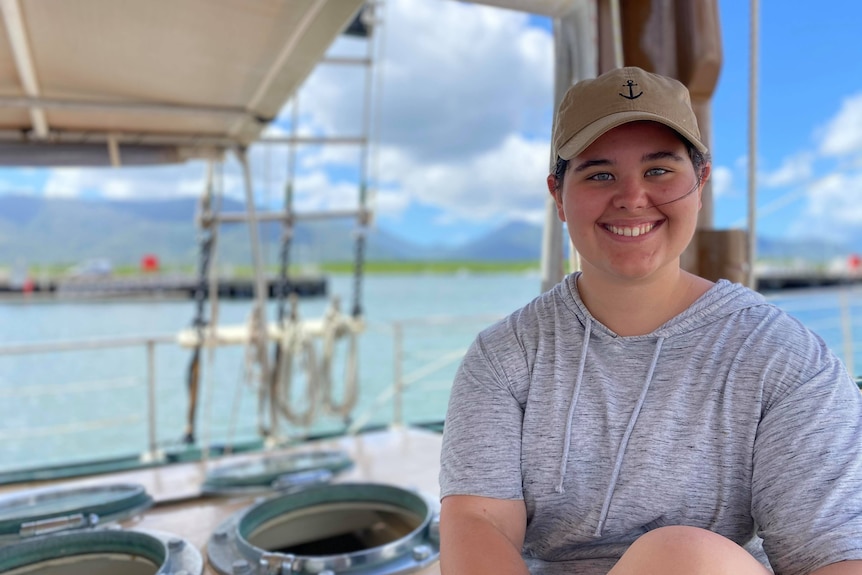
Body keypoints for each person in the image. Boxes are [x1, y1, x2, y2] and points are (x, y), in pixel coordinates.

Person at [438, 66, 862, 575]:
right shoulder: (505, 357)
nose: (633, 197)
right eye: (599, 174)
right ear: (558, 196)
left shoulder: (785, 360)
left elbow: (830, 551)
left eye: (659, 170)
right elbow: (478, 521)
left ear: (700, 182)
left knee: (684, 558)